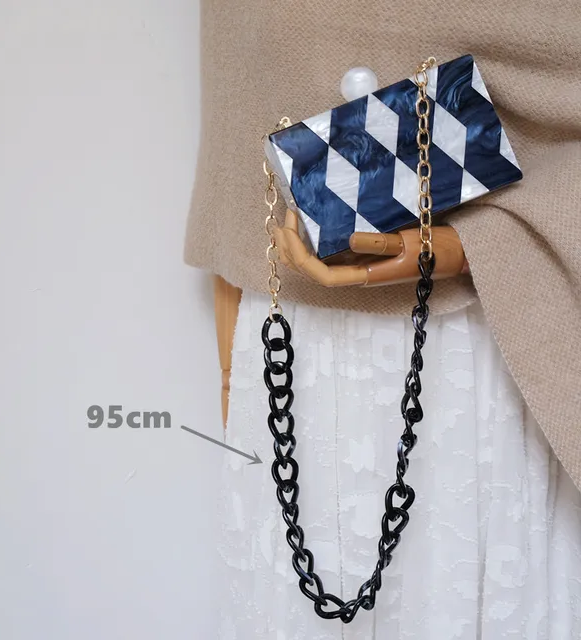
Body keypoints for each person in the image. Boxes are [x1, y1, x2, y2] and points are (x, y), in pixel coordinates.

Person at [185, 1, 581, 636]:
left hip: (491, 340)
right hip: (300, 364)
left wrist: (468, 246)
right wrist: (233, 361)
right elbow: (240, 106)